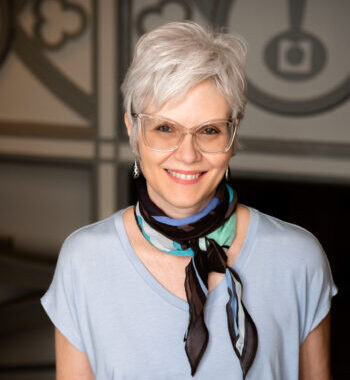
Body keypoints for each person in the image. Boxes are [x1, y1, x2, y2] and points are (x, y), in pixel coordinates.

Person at [41, 21, 337, 379]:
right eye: (165, 128)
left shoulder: (297, 259)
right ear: (133, 130)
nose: (187, 154)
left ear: (232, 134)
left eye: (209, 130)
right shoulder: (84, 261)